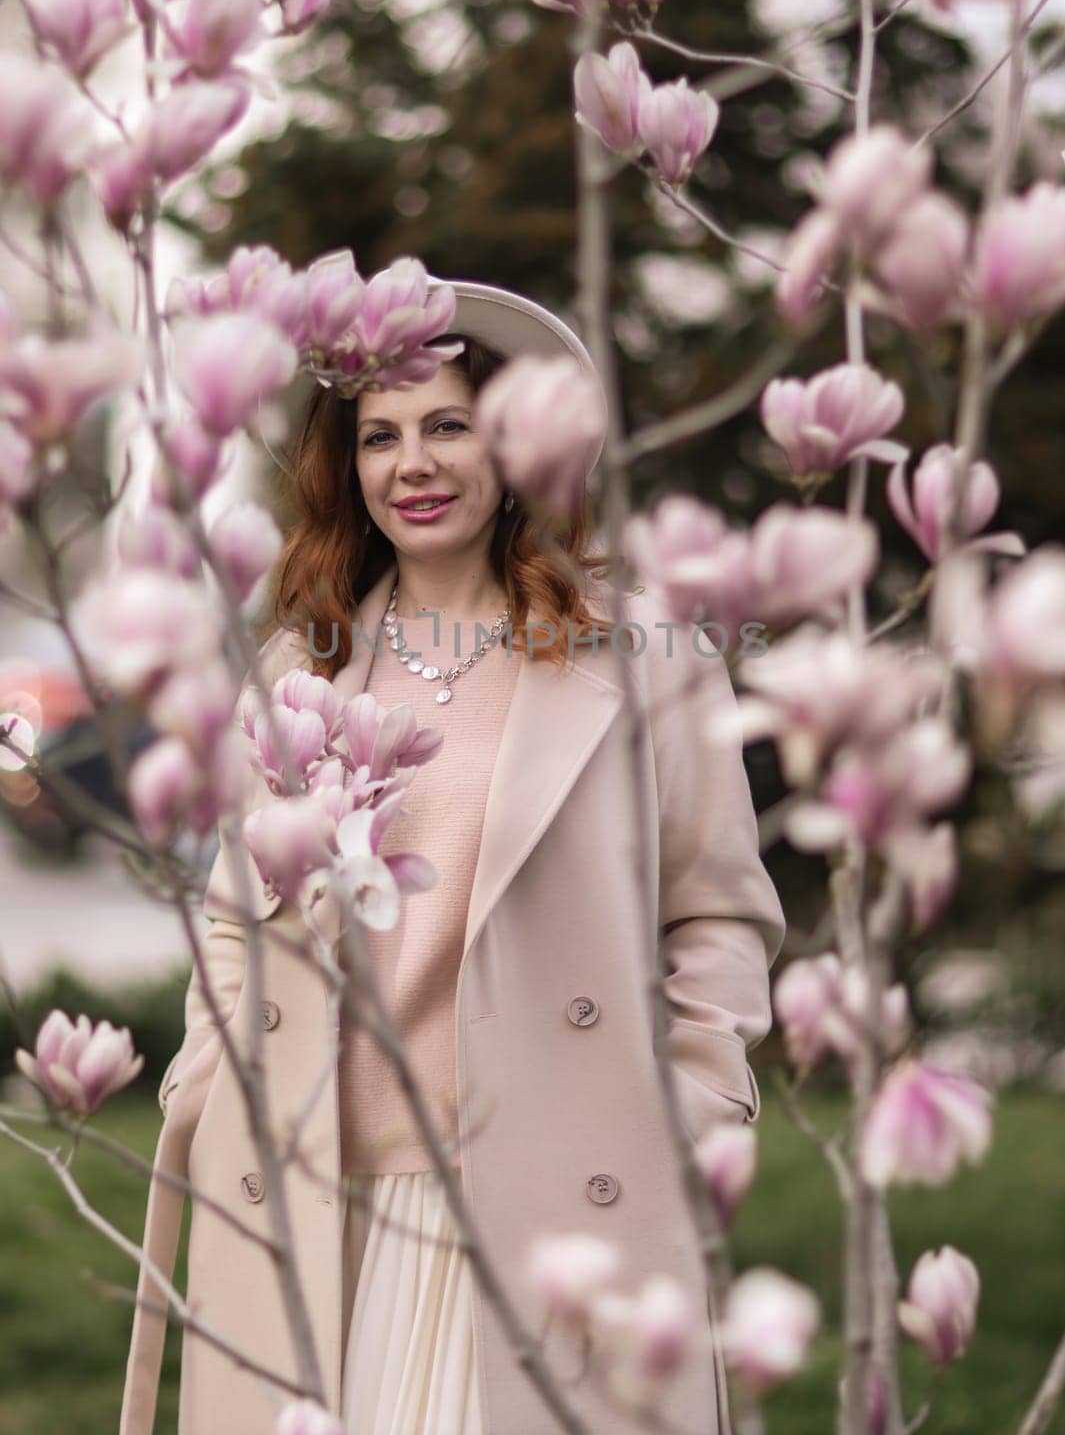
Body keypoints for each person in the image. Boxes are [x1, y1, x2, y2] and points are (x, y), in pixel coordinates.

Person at [120, 278, 785, 1435]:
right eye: (379, 435)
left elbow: (716, 913)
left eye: (446, 425)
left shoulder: (641, 656)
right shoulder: (298, 670)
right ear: (348, 467)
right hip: (326, 1208)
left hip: (558, 1200)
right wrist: (213, 1077)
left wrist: (694, 1107)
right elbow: (233, 912)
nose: (411, 464)